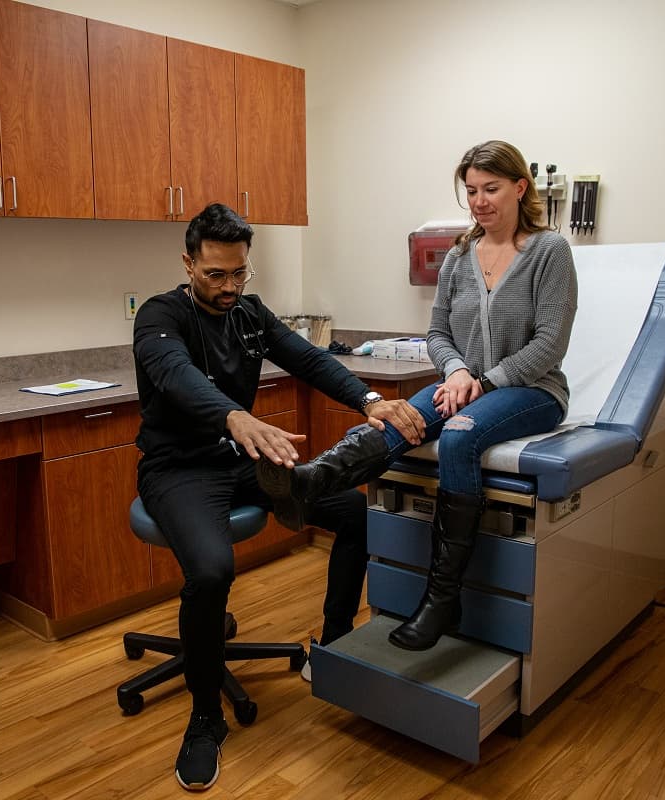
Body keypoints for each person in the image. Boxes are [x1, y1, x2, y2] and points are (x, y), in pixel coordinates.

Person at [132, 203, 424, 792]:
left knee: (357, 514)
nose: (229, 287)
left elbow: (309, 358)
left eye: (239, 272)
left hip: (241, 462)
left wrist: (369, 401)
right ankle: (205, 719)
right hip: (179, 469)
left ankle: (333, 645)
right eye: (215, 274)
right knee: (211, 571)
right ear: (188, 264)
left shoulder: (249, 314)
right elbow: (175, 374)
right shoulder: (160, 316)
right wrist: (235, 416)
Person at [258, 139, 578, 652]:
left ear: (521, 188)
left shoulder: (549, 252)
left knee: (459, 436)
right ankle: (308, 482)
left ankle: (442, 598)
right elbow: (437, 334)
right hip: (461, 383)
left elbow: (550, 342)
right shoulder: (459, 255)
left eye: (491, 189)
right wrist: (456, 372)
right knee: (399, 416)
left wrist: (483, 382)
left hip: (532, 389)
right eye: (471, 190)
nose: (479, 201)